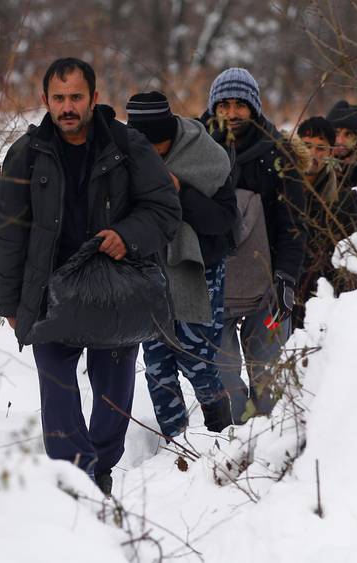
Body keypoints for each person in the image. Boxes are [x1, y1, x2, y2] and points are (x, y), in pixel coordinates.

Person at [0, 58, 181, 495]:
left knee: (113, 391)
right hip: (49, 292)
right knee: (57, 391)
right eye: (59, 98)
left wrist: (127, 235)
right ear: (46, 101)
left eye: (76, 97)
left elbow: (166, 210)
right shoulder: (26, 153)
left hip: (115, 289)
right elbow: (9, 233)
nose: (67, 107)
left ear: (94, 98)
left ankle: (101, 469)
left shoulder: (128, 145)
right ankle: (74, 479)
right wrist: (10, 303)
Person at [125, 91, 237, 439]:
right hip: (150, 270)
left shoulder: (206, 156)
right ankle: (175, 441)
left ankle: (222, 434)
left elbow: (224, 222)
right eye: (148, 147)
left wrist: (179, 192)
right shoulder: (128, 156)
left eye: (160, 145)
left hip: (199, 269)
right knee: (158, 367)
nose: (155, 154)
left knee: (199, 360)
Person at [201, 68, 306, 424]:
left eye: (240, 105)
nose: (232, 114)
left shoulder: (278, 156)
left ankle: (270, 450)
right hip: (214, 289)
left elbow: (293, 227)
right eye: (224, 105)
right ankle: (236, 449)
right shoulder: (196, 151)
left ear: (255, 108)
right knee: (225, 381)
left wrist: (287, 279)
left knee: (270, 384)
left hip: (268, 292)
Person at [292, 116, 357, 328]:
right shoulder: (281, 191)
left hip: (323, 304)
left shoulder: (344, 200)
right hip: (282, 297)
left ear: (330, 153)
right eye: (307, 146)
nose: (312, 154)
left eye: (321, 149)